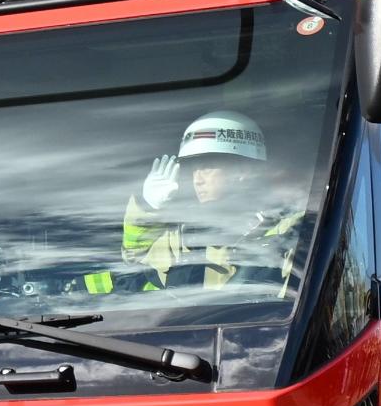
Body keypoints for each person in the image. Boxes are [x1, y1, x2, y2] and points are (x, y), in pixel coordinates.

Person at [122, 111, 304, 290]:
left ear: (243, 171)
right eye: (194, 169)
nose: (197, 179)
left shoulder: (287, 234)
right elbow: (135, 259)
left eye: (206, 168)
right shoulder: (184, 236)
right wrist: (148, 208)